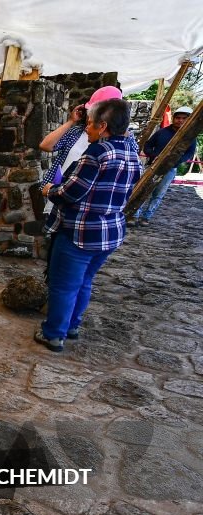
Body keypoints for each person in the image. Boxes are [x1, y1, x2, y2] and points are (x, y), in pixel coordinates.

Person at [35, 98, 142, 352]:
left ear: (103, 126)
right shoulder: (131, 151)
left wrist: (50, 190)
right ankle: (72, 326)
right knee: (84, 281)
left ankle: (54, 334)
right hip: (110, 233)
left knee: (63, 285)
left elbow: (70, 194)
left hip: (80, 232)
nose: (87, 128)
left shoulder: (96, 153)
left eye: (91, 124)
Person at [38, 86, 123, 218]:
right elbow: (46, 145)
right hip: (60, 197)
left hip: (86, 208)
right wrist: (71, 121)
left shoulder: (118, 145)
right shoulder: (77, 132)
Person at [133, 105, 197, 226]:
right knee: (142, 190)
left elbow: (189, 153)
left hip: (170, 169)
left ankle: (146, 217)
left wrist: (175, 161)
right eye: (178, 118)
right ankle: (135, 214)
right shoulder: (161, 132)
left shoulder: (190, 137)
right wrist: (154, 155)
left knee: (158, 194)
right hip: (153, 166)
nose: (180, 120)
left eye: (184, 118)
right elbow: (147, 146)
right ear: (174, 118)